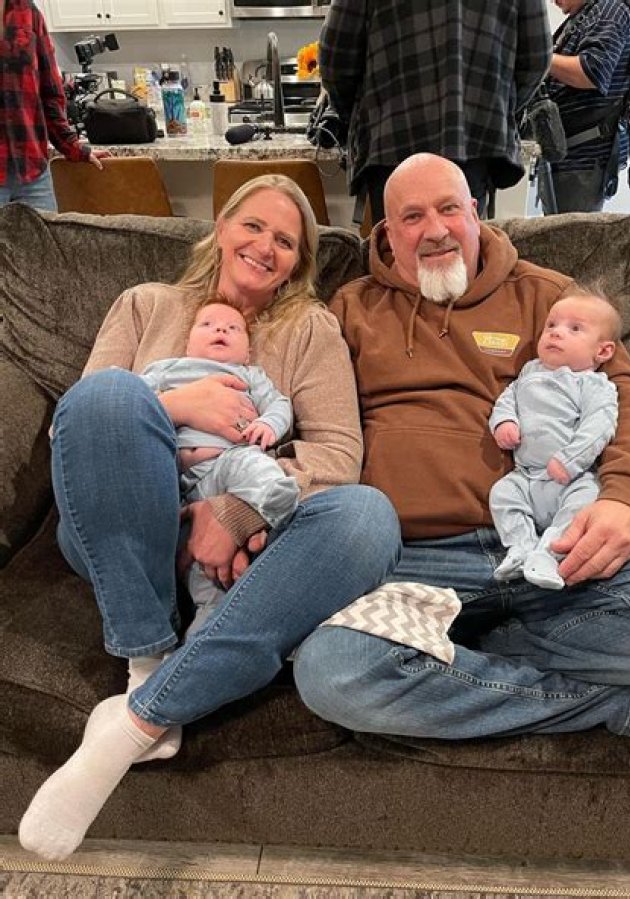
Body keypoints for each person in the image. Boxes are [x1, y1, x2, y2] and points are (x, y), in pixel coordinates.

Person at [18, 174, 401, 861]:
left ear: (298, 262)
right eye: (253, 226)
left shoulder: (308, 328)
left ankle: (139, 718)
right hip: (122, 522)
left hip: (248, 540)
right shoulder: (145, 304)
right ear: (221, 228)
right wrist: (176, 407)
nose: (265, 246)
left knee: (367, 516)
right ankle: (145, 655)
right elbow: (77, 427)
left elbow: (338, 454)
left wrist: (232, 510)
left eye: (285, 241)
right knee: (109, 394)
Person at [293, 152, 630, 746]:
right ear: (386, 232)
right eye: (412, 217)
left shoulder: (548, 296)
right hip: (414, 560)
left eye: (449, 208)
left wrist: (625, 497)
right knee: (334, 673)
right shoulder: (350, 309)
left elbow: (625, 395)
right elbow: (311, 420)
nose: (436, 230)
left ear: (475, 211)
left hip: (556, 535)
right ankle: (621, 699)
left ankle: (470, 653)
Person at [141, 298, 300, 631]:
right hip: (177, 480)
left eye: (233, 328)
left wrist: (269, 424)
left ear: (247, 352)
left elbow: (279, 404)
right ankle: (185, 632)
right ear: (188, 343)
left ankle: (274, 496)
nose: (220, 330)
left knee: (252, 465)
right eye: (208, 325)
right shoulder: (167, 369)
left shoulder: (249, 375)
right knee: (197, 566)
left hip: (229, 458)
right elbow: (131, 402)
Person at [318, 0, 552, 224]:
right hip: (475, 141)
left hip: (391, 139)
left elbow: (336, 57)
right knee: (464, 246)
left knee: (398, 245)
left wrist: (360, 117)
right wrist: (495, 109)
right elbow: (537, 57)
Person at [489, 293, 620, 590]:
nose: (556, 332)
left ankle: (549, 554)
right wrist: (504, 421)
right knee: (501, 495)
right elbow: (508, 398)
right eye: (551, 325)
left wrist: (570, 460)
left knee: (584, 504)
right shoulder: (529, 372)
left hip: (573, 477)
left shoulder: (594, 385)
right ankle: (521, 547)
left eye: (575, 328)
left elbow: (599, 426)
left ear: (603, 351)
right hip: (525, 475)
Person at [0, 0, 109, 212]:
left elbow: (50, 92)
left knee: (47, 235)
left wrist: (72, 146)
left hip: (32, 172)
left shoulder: (27, 11)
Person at [542, 0, 630, 213]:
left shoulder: (610, 11)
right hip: (570, 155)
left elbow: (591, 72)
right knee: (557, 229)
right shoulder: (588, 13)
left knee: (572, 232)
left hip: (583, 158)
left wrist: (539, 57)